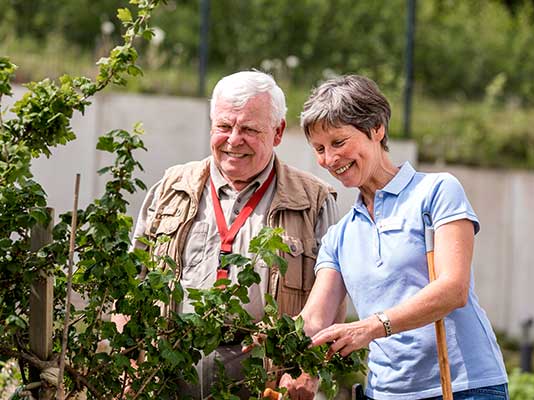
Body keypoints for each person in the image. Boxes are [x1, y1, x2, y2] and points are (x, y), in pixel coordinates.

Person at [126, 70, 343, 399]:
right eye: (224, 127)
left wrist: (306, 371)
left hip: (266, 385)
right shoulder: (170, 188)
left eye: (249, 130)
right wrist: (127, 363)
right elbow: (132, 283)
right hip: (167, 380)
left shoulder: (314, 201)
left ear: (278, 131)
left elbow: (331, 301)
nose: (233, 140)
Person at [297, 75, 509, 399]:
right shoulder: (339, 236)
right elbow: (314, 319)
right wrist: (272, 336)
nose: (329, 159)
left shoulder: (436, 192)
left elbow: (453, 289)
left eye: (338, 142)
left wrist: (371, 327)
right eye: (320, 149)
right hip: (384, 393)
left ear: (377, 128)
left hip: (462, 386)